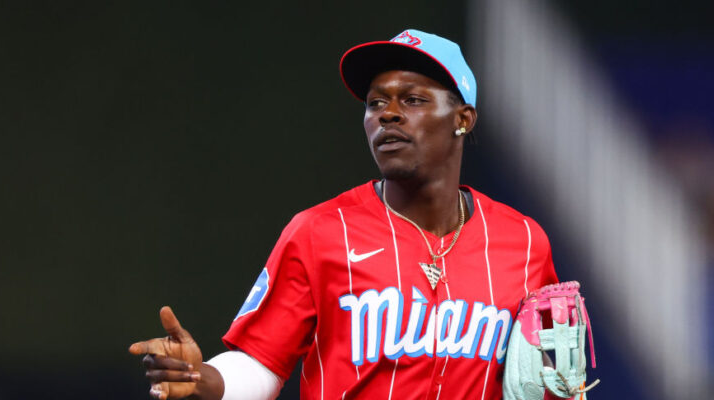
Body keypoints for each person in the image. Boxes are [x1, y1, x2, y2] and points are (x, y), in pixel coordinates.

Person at [129, 29, 559, 400]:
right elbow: (262, 366)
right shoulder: (319, 232)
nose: (387, 114)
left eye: (411, 99)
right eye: (375, 103)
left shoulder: (523, 243)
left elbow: (543, 377)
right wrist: (203, 379)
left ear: (462, 119)